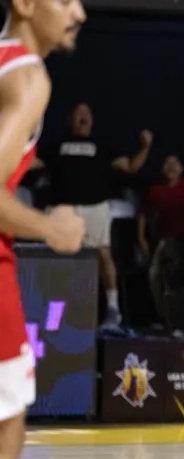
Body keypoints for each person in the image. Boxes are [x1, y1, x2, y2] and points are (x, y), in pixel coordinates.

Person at [0, 1, 87, 459]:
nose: (80, 13)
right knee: (6, 433)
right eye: (66, 1)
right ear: (26, 5)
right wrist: (54, 228)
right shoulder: (29, 75)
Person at [31, 103, 152, 326]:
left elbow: (131, 167)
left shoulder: (102, 146)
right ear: (70, 120)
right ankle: (54, 313)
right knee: (55, 260)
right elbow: (30, 162)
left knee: (103, 255)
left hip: (95, 207)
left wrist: (145, 147)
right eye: (78, 113)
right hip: (61, 210)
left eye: (87, 113)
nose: (83, 116)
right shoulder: (56, 145)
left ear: (92, 121)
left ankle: (113, 309)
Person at [139, 155, 184, 330]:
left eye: (175, 164)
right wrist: (141, 238)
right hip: (167, 239)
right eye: (167, 164)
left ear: (181, 169)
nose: (171, 167)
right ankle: (166, 318)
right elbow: (143, 215)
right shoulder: (156, 191)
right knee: (154, 275)